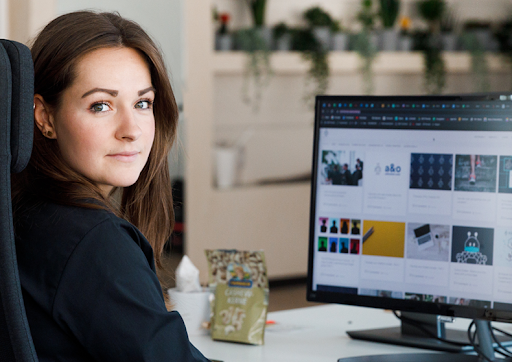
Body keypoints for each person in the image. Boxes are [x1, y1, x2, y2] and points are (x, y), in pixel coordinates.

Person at [12, 11, 209, 361]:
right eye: (100, 105)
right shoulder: (95, 242)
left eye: (142, 103)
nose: (130, 129)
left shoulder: (26, 211)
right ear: (44, 117)